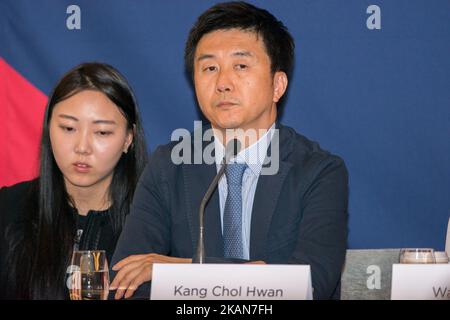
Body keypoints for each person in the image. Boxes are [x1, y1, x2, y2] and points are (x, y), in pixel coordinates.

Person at [110, 1, 348, 300]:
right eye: (209, 68)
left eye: (241, 66)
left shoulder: (319, 171)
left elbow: (309, 283)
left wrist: (182, 269)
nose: (223, 83)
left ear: (277, 85)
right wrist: (258, 274)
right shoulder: (168, 166)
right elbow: (127, 282)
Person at [0, 62, 148, 299]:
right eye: (68, 128)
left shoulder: (155, 223)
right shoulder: (9, 208)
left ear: (128, 139)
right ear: (49, 128)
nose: (82, 147)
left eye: (102, 132)